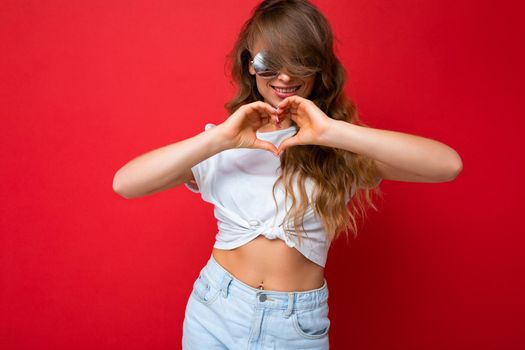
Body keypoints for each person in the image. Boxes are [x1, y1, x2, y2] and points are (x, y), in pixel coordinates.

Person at [112, 0, 463, 348]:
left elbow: (447, 166)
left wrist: (332, 132)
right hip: (215, 310)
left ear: (319, 68)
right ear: (249, 64)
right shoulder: (222, 143)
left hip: (295, 326)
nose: (284, 77)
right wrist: (219, 137)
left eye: (300, 62)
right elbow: (126, 184)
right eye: (269, 63)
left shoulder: (340, 147)